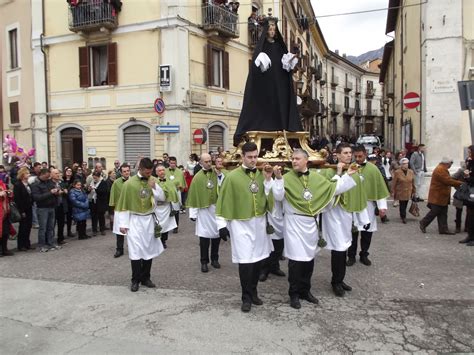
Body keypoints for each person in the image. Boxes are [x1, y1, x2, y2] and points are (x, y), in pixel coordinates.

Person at [272, 149, 357, 309]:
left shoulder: (316, 178)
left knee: (309, 259)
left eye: (297, 158)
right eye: (292, 159)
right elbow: (277, 196)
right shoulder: (286, 178)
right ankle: (294, 293)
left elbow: (333, 188)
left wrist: (347, 175)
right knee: (296, 261)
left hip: (311, 223)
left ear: (306, 160)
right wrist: (277, 179)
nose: (294, 161)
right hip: (294, 222)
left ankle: (306, 290)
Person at [216, 142, 274, 312]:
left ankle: (254, 291)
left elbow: (270, 197)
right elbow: (223, 201)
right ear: (242, 157)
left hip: (259, 223)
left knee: (258, 260)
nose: (253, 160)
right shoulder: (232, 177)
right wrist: (221, 225)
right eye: (250, 157)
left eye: (256, 157)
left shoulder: (262, 175)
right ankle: (246, 297)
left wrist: (269, 180)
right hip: (240, 224)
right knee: (245, 261)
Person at [233, 17, 302, 146]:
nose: (272, 31)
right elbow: (255, 69)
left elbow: (286, 67)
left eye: (273, 29)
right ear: (266, 31)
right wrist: (259, 62)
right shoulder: (261, 48)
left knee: (280, 104)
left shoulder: (280, 47)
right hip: (265, 86)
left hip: (280, 85)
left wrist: (290, 60)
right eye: (269, 29)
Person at [320, 143, 369, 297]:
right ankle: (336, 282)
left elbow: (358, 194)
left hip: (347, 215)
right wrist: (340, 172)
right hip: (334, 215)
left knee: (345, 247)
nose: (349, 155)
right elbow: (331, 191)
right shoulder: (329, 171)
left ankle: (340, 279)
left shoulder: (354, 170)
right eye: (345, 153)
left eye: (350, 153)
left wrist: (360, 216)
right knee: (338, 249)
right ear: (337, 155)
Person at [114, 158, 166, 292]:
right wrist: (123, 224)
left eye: (151, 172)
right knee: (136, 251)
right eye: (147, 172)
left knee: (148, 249)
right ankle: (135, 279)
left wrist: (155, 187)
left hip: (149, 220)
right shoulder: (129, 184)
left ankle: (146, 277)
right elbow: (124, 205)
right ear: (140, 169)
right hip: (135, 220)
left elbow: (162, 198)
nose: (149, 174)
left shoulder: (152, 180)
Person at [347, 146, 389, 267]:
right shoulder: (350, 168)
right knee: (352, 232)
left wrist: (382, 207)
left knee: (367, 232)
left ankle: (364, 254)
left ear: (365, 154)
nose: (358, 159)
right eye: (356, 156)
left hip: (368, 206)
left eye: (360, 156)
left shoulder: (373, 169)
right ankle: (351, 256)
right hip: (354, 205)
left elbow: (379, 188)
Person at [186, 153, 223, 273]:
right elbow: (193, 195)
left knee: (217, 236)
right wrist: (193, 213)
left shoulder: (216, 173)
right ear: (201, 162)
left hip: (216, 209)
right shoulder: (197, 177)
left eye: (209, 161)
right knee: (204, 239)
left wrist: (220, 175)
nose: (208, 163)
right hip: (203, 211)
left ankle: (215, 259)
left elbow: (223, 185)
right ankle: (204, 261)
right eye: (206, 161)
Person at [419, 157, 462, 235]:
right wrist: (460, 183)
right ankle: (423, 222)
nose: (450, 166)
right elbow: (447, 180)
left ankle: (443, 229)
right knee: (435, 211)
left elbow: (447, 180)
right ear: (447, 163)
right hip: (438, 195)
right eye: (450, 164)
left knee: (443, 212)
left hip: (441, 195)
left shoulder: (441, 168)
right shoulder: (440, 169)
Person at [31, 168, 61, 252]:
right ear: (42, 175)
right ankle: (41, 245)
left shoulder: (49, 182)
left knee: (50, 227)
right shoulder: (35, 185)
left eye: (49, 176)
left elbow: (53, 191)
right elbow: (37, 198)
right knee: (43, 228)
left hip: (51, 206)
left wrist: (56, 192)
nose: (48, 178)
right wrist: (50, 193)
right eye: (47, 176)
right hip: (42, 208)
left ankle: (50, 243)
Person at [153, 164, 178, 249]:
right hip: (157, 208)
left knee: (166, 225)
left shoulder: (170, 182)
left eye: (163, 170)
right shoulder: (153, 182)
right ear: (156, 172)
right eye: (159, 171)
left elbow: (173, 192)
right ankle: (157, 240)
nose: (162, 172)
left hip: (166, 207)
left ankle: (164, 241)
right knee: (157, 224)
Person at [109, 164, 131, 257]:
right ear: (121, 172)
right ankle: (119, 249)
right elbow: (113, 196)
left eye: (128, 171)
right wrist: (111, 210)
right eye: (124, 171)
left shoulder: (134, 181)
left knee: (132, 230)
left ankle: (133, 248)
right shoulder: (116, 183)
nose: (126, 173)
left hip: (131, 209)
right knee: (119, 231)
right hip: (120, 209)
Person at [14, 167, 34, 251]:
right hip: (22, 208)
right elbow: (18, 199)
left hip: (29, 207)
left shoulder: (28, 184)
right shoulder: (18, 185)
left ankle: (27, 243)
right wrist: (21, 211)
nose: (29, 174)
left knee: (28, 226)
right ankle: (21, 245)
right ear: (22, 174)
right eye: (27, 173)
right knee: (23, 227)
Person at [391, 158, 416, 224]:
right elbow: (394, 182)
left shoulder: (411, 171)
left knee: (406, 203)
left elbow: (413, 182)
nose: (406, 165)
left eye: (407, 163)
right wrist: (393, 191)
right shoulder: (397, 172)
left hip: (408, 190)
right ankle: (403, 217)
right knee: (402, 204)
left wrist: (414, 191)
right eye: (404, 164)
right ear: (401, 165)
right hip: (400, 191)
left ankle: (403, 214)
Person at [165, 157, 186, 233]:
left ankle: (176, 226)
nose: (173, 165)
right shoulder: (165, 171)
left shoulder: (179, 172)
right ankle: (167, 226)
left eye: (174, 163)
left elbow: (182, 181)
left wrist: (180, 186)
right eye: (171, 163)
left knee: (176, 209)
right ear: (169, 163)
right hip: (167, 192)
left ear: (176, 163)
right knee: (167, 209)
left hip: (176, 192)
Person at [460, 145, 474, 245]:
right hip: (470, 192)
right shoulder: (470, 162)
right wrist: (468, 163)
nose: (468, 154)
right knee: (469, 216)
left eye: (470, 152)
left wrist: (468, 176)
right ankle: (470, 235)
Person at [51, 169, 69, 245]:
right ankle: (50, 239)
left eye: (58, 173)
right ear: (51, 174)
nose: (58, 175)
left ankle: (60, 238)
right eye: (56, 173)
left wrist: (65, 191)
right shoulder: (50, 183)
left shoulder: (61, 183)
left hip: (61, 204)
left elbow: (65, 190)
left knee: (61, 223)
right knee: (52, 224)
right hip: (53, 205)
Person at [88, 171, 109, 236]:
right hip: (93, 201)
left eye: (96, 177)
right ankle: (94, 230)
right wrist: (89, 189)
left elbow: (104, 192)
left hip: (100, 202)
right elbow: (88, 191)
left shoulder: (103, 182)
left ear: (99, 177)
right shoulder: (92, 182)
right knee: (93, 216)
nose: (95, 179)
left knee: (101, 216)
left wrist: (95, 189)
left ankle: (102, 229)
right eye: (94, 177)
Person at [0, 178, 14, 256]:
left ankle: (4, 249)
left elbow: (9, 197)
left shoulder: (3, 184)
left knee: (5, 232)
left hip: (5, 211)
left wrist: (9, 194)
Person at [62, 167, 75, 237]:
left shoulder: (73, 181)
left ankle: (69, 231)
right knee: (62, 217)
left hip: (70, 199)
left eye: (70, 171)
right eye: (67, 171)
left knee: (69, 216)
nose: (69, 172)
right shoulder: (62, 180)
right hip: (64, 199)